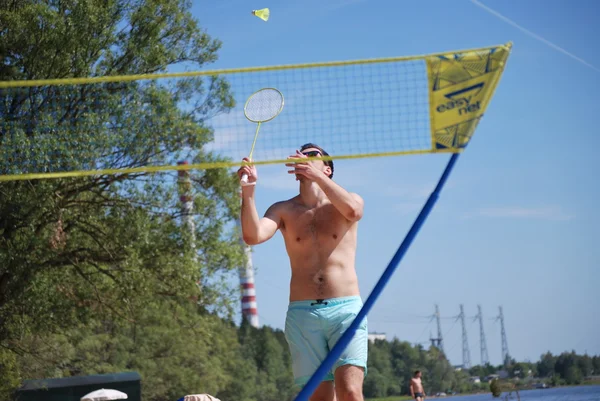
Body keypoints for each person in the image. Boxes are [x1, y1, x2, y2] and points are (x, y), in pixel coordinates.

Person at [237, 143, 367, 401]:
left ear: (327, 169)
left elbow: (354, 211)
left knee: (350, 392)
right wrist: (248, 191)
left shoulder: (346, 201)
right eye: (301, 156)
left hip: (345, 310)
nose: (304, 158)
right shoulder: (283, 209)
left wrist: (314, 174)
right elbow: (252, 235)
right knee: (318, 397)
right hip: (302, 313)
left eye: (312, 155)